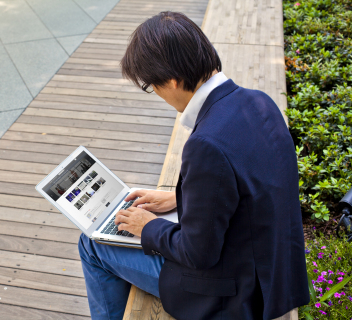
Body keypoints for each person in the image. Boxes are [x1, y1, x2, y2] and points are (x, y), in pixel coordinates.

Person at [78, 11, 309, 320]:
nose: (156, 93)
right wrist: (183, 198)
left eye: (151, 85)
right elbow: (256, 184)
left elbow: (198, 253)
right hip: (275, 275)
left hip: (235, 296)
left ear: (172, 80)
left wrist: (148, 226)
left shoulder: (206, 145)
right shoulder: (259, 101)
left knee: (92, 245)